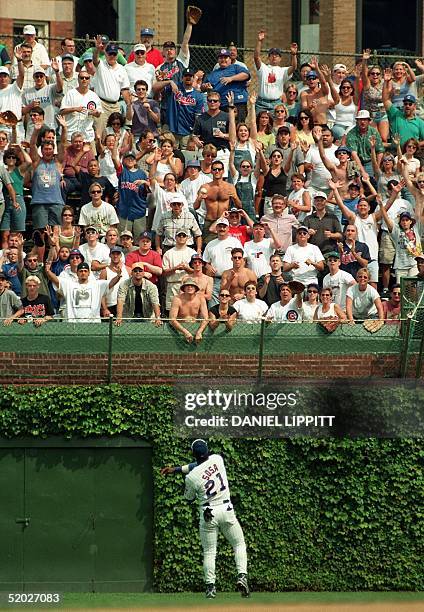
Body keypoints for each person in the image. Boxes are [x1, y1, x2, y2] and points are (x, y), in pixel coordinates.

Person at [161, 439, 249, 599]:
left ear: (193, 454)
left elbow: (188, 498)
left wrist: (177, 471)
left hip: (208, 513)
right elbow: (201, 464)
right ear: (207, 451)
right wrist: (177, 469)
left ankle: (210, 588)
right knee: (239, 544)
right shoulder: (218, 459)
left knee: (209, 552)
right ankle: (242, 576)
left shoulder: (191, 477)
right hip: (226, 509)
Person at [45, 260, 122, 323]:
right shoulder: (69, 285)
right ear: (77, 273)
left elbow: (111, 283)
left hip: (93, 323)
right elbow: (56, 280)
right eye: (81, 271)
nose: (83, 273)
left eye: (85, 271)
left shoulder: (97, 285)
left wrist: (118, 276)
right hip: (73, 323)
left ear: (89, 273)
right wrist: (48, 271)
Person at [194, 160, 241, 243]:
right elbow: (195, 207)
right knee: (207, 247)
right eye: (215, 169)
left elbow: (239, 207)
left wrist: (235, 197)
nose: (217, 171)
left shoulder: (230, 187)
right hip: (210, 221)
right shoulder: (206, 187)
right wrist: (199, 198)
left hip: (224, 221)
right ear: (211, 171)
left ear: (223, 171)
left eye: (219, 169)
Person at [92, 38, 131, 136]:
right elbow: (95, 61)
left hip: (115, 105)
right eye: (110, 54)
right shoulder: (101, 65)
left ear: (117, 55)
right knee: (100, 134)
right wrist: (97, 49)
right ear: (106, 54)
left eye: (114, 54)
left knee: (115, 133)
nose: (112, 56)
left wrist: (129, 105)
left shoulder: (122, 69)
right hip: (102, 104)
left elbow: (125, 89)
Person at [254, 31, 297, 114]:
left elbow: (294, 67)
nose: (274, 56)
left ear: (280, 59)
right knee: (259, 124)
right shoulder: (263, 68)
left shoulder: (283, 70)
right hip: (261, 103)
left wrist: (294, 55)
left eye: (277, 55)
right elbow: (256, 57)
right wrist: (259, 41)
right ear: (268, 57)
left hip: (276, 103)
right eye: (272, 54)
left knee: (276, 125)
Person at [203, 218, 244, 306]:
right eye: (220, 226)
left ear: (228, 228)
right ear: (216, 228)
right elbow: (205, 261)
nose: (222, 229)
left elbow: (243, 259)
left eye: (224, 227)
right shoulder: (210, 244)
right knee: (214, 307)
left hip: (232, 278)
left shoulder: (235, 242)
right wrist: (208, 267)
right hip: (216, 280)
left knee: (232, 306)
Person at [202, 49, 250, 121]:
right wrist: (205, 86)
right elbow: (202, 88)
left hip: (238, 102)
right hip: (223, 105)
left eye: (225, 57)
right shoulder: (213, 74)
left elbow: (246, 75)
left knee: (238, 127)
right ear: (218, 60)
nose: (223, 59)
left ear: (230, 59)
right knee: (224, 128)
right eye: (221, 58)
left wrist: (231, 78)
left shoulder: (236, 67)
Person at [59, 70, 102, 145]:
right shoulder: (70, 93)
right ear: (78, 79)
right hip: (70, 134)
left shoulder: (94, 96)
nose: (84, 80)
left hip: (86, 136)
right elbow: (62, 112)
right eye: (82, 78)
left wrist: (95, 113)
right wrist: (75, 109)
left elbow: (98, 114)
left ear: (89, 80)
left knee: (91, 156)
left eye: (86, 78)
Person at [113, 150, 149, 236]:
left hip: (139, 210)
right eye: (127, 158)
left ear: (135, 160)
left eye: (132, 158)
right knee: (122, 239)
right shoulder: (122, 172)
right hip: (124, 211)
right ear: (123, 160)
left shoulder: (142, 173)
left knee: (140, 239)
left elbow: (150, 188)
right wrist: (115, 143)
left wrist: (144, 182)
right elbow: (114, 158)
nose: (130, 160)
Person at [115, 262, 161, 326]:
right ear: (131, 273)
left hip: (147, 316)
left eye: (140, 271)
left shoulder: (151, 286)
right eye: (135, 271)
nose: (138, 272)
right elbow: (120, 300)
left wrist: (158, 318)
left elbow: (155, 302)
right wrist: (119, 317)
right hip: (129, 316)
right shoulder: (123, 284)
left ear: (143, 273)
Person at [162, 231, 197, 312]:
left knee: (188, 312)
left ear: (187, 238)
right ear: (175, 237)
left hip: (189, 286)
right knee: (171, 312)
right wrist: (175, 268)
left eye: (183, 235)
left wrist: (186, 268)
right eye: (179, 235)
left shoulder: (192, 253)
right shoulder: (168, 253)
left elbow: (197, 272)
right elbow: (164, 272)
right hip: (173, 285)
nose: (181, 237)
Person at [382, 83, 424, 147]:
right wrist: (385, 82)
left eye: (410, 104)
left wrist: (415, 145)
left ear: (414, 106)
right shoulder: (396, 114)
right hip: (396, 153)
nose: (407, 106)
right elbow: (385, 100)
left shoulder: (420, 122)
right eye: (405, 104)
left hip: (412, 154)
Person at [345, 110, 384, 178]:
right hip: (354, 162)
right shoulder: (351, 133)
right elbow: (354, 154)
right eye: (360, 120)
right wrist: (362, 171)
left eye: (365, 119)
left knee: (374, 181)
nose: (362, 122)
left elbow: (380, 151)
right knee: (355, 184)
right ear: (357, 121)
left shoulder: (374, 132)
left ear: (369, 121)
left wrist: (376, 167)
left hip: (371, 162)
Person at [169, 278, 209, 343]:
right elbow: (172, 319)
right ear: (184, 288)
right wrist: (185, 332)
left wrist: (199, 332)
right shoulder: (177, 299)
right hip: (180, 328)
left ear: (196, 288)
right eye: (187, 285)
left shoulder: (201, 298)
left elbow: (206, 318)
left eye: (192, 285)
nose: (190, 287)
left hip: (195, 327)